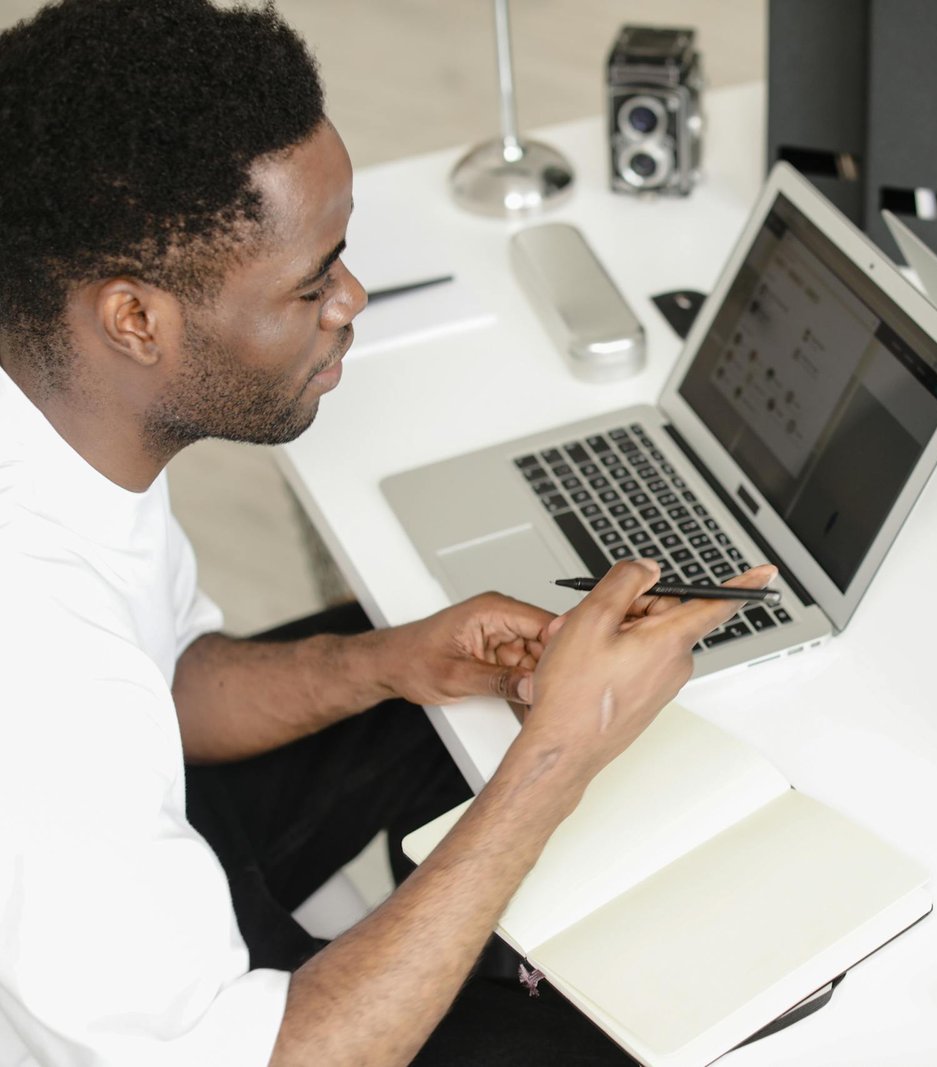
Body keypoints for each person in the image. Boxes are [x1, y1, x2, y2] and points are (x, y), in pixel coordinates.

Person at [0, 1, 774, 1064]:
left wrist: (390, 660)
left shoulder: (61, 422)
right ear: (136, 320)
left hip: (138, 849)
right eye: (311, 283)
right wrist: (557, 757)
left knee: (419, 699)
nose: (351, 299)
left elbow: (168, 678)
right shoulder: (42, 673)